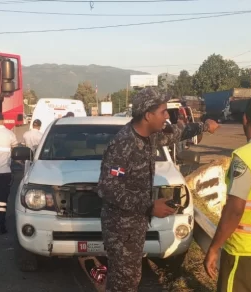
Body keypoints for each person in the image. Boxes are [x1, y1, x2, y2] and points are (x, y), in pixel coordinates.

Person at [98, 87, 218, 292]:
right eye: (163, 112)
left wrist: (204, 126)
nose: (166, 117)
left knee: (127, 280)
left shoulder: (151, 136)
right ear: (148, 115)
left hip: (134, 225)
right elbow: (107, 189)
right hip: (121, 228)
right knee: (125, 283)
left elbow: (177, 133)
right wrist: (149, 206)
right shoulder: (122, 144)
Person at [204, 96, 251, 292]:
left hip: (244, 253)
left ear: (244, 119)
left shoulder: (245, 157)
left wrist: (214, 247)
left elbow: (235, 209)